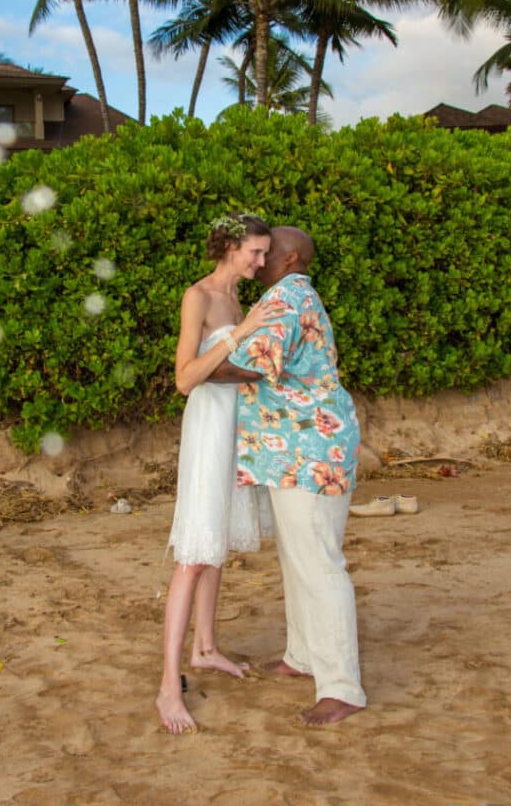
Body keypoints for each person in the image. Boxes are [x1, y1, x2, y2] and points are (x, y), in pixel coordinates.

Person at [216, 225, 366, 725]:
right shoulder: (293, 294)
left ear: (292, 257)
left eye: (267, 252)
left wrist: (198, 368)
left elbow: (255, 366)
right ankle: (303, 657)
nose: (257, 262)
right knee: (300, 558)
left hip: (310, 452)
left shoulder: (287, 297)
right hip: (299, 451)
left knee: (319, 563)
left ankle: (342, 686)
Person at [156, 213, 280, 735]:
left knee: (220, 543)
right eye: (254, 251)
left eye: (265, 252)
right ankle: (167, 686)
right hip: (208, 427)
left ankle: (206, 648)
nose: (261, 261)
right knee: (194, 554)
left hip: (238, 426)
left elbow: (233, 369)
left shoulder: (240, 300)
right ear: (230, 246)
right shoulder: (200, 297)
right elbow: (186, 378)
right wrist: (241, 336)